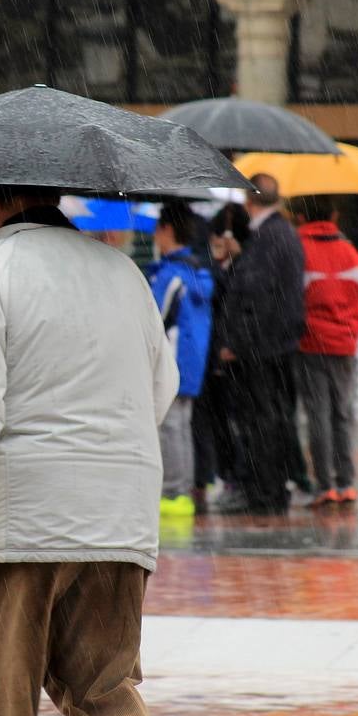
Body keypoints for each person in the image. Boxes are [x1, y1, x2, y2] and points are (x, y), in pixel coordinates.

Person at [0, 183, 176, 716]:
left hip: (12, 533)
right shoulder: (123, 273)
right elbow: (158, 391)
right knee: (107, 699)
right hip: (115, 528)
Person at [217, 174, 306, 514]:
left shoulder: (266, 237)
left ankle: (264, 492)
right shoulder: (284, 234)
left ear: (249, 201)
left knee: (260, 421)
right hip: (278, 344)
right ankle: (272, 489)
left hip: (260, 349)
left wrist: (236, 342)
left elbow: (255, 296)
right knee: (274, 418)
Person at [292, 196, 358, 508]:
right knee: (343, 412)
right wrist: (347, 322)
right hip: (345, 344)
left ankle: (325, 484)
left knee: (318, 414)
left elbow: (291, 296)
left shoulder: (300, 250)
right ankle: (347, 482)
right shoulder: (350, 252)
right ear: (334, 216)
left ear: (301, 217)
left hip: (310, 344)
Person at [146, 201, 214, 518]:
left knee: (170, 426)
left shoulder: (171, 275)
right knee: (183, 426)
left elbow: (152, 319)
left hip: (171, 360)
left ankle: (172, 493)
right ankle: (182, 488)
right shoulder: (198, 271)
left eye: (157, 229)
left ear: (167, 229)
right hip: (193, 361)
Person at [200, 202, 252, 513]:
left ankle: (238, 479)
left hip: (231, 358)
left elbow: (231, 312)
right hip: (217, 357)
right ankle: (230, 476)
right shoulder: (219, 269)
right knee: (221, 423)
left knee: (234, 423)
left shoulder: (241, 269)